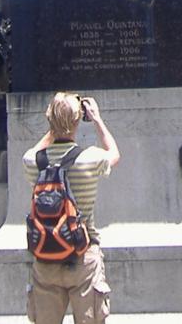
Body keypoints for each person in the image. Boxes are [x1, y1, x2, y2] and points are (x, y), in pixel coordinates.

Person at [24, 92, 120, 324]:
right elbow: (115, 154)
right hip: (82, 255)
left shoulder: (33, 162)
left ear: (49, 119)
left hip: (46, 257)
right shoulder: (91, 158)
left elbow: (34, 151)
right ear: (78, 120)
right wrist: (96, 119)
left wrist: (55, 127)